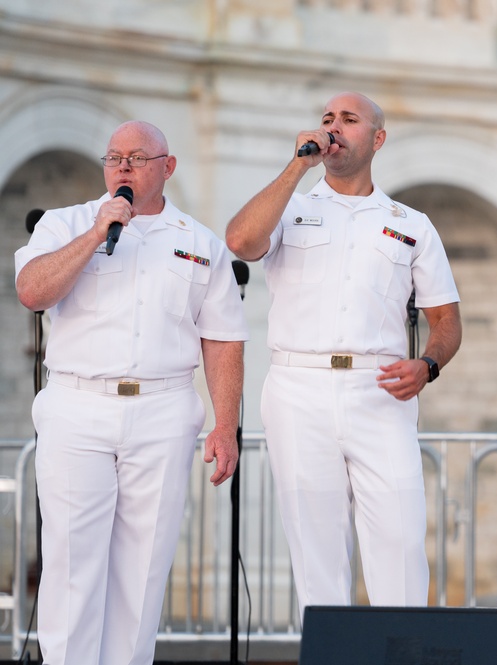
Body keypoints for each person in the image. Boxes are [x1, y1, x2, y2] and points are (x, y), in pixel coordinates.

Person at [14, 121, 248, 665]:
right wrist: (97, 233)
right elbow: (32, 291)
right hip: (78, 406)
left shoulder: (199, 243)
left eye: (138, 157)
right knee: (73, 565)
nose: (122, 166)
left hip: (163, 411)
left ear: (167, 168)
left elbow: (223, 339)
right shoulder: (65, 224)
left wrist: (225, 424)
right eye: (114, 157)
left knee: (143, 571)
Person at [226, 92, 461, 615]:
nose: (333, 127)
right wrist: (298, 166)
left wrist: (428, 365)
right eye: (327, 118)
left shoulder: (411, 222)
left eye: (348, 120)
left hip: (380, 392)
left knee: (400, 544)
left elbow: (446, 320)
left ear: (377, 139)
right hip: (298, 388)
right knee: (318, 556)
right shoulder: (291, 206)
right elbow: (240, 241)